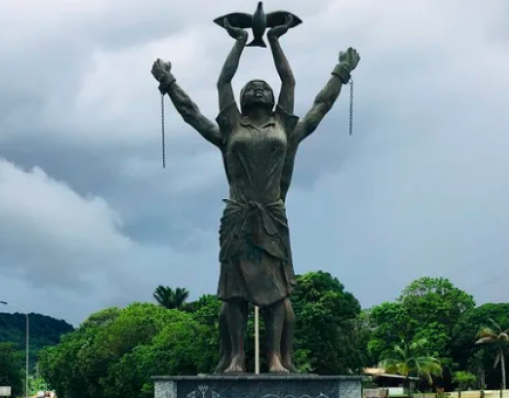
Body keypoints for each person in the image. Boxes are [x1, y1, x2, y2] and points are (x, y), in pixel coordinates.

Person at [151, 18, 360, 373]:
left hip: (273, 217)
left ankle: (276, 357)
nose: (260, 88)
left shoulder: (285, 126)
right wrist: (235, 43)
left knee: (277, 292)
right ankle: (235, 357)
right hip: (237, 217)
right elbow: (200, 104)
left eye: (265, 87)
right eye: (254, 87)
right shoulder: (231, 126)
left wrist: (332, 66)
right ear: (243, 99)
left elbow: (314, 100)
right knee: (234, 292)